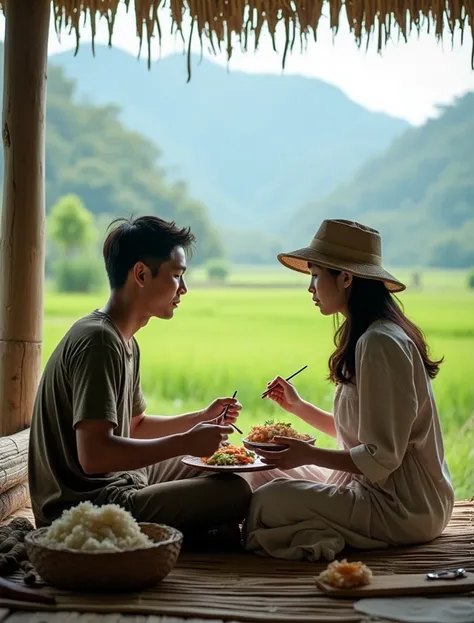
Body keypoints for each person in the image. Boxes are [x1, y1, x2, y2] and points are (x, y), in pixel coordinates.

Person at [28, 216, 250, 549]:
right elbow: (95, 456)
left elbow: (136, 424)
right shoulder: (99, 342)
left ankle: (196, 532)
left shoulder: (124, 339)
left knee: (221, 462)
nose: (183, 290)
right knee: (235, 492)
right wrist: (188, 443)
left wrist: (200, 419)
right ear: (142, 275)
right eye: (177, 277)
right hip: (86, 508)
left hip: (119, 485)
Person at [243, 219, 455, 561]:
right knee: (261, 472)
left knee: (268, 500)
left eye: (315, 274)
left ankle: (320, 533)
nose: (310, 287)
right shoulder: (369, 336)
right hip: (373, 489)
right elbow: (360, 436)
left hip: (403, 507)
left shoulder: (379, 343)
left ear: (345, 277)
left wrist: (308, 454)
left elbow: (381, 458)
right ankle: (321, 527)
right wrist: (298, 407)